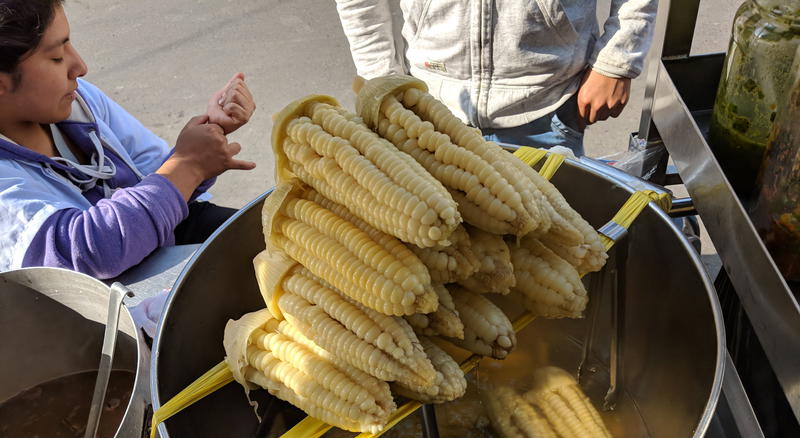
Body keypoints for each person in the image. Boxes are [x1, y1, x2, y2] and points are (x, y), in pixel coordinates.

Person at [0, 0, 256, 279]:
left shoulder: (76, 100)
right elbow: (90, 250)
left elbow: (155, 175)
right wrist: (190, 165)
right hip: (103, 304)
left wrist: (206, 136)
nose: (80, 67)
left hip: (161, 237)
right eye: (57, 57)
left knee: (274, 237)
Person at [335, 0, 658, 155]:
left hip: (548, 104)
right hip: (428, 107)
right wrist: (381, 78)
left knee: (549, 263)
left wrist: (616, 60)